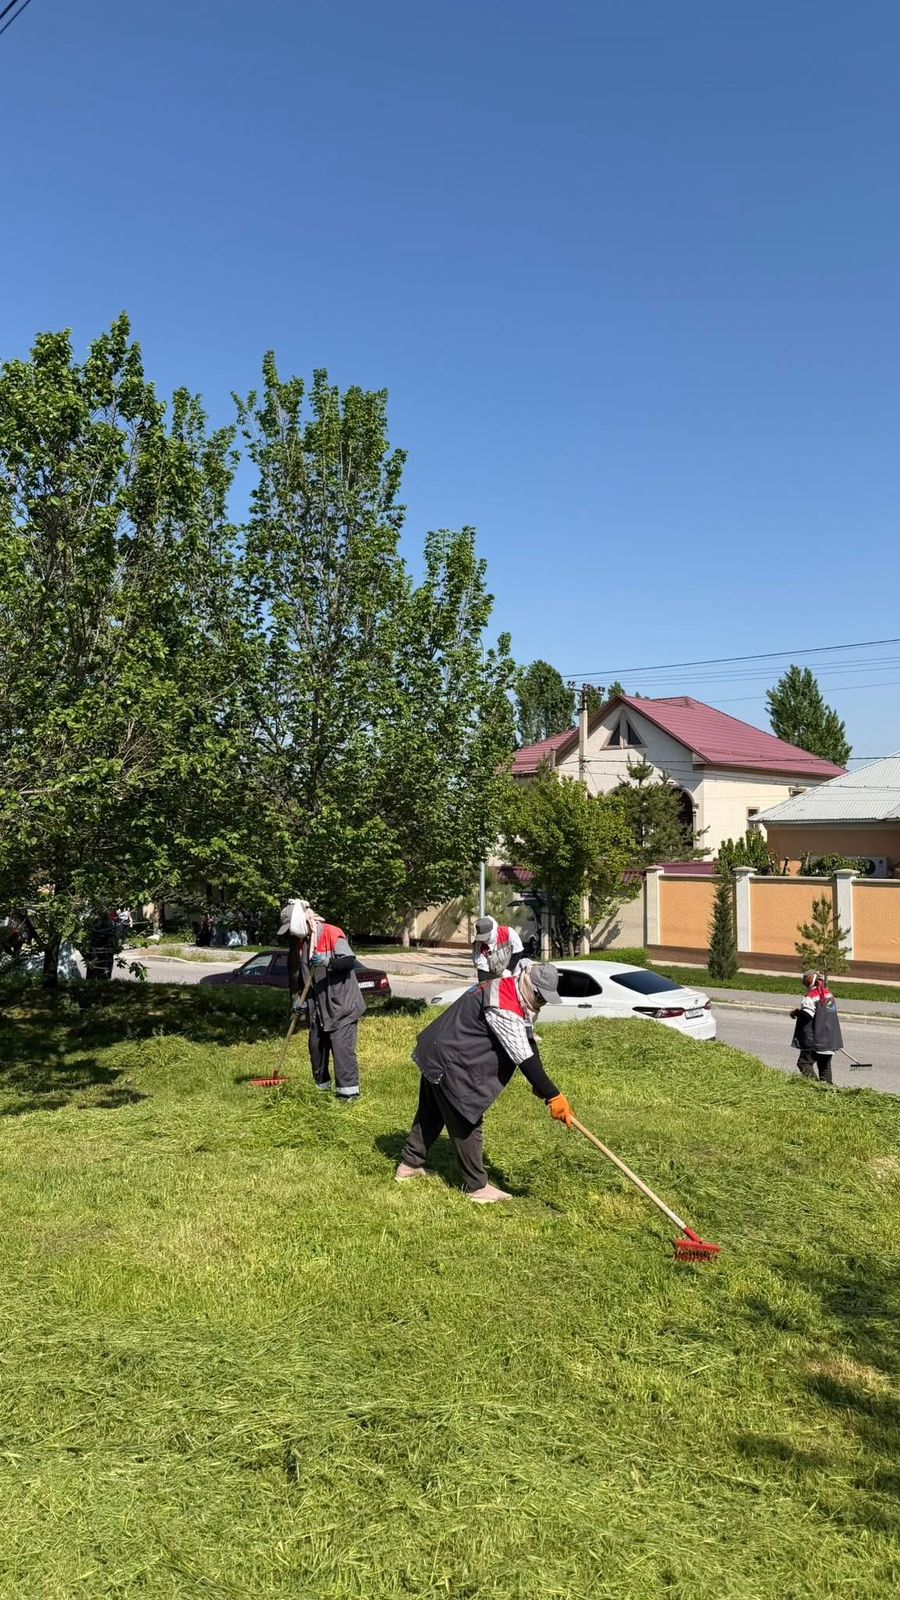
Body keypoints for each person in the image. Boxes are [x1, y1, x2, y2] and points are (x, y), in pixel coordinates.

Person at [395, 959, 575, 1202]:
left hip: (436, 1048)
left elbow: (527, 1040)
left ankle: (409, 1165)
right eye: (539, 996)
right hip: (450, 1060)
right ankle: (476, 1187)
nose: (540, 1002)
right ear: (529, 983)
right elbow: (523, 1055)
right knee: (465, 1117)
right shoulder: (504, 1005)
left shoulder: (509, 988)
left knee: (433, 1110)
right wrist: (552, 1095)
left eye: (545, 999)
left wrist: (541, 1086)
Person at [278, 897, 365, 1102]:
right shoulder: (301, 944)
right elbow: (301, 977)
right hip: (318, 1007)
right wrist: (298, 1000)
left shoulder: (331, 932)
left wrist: (328, 961)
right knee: (316, 1048)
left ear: (298, 923)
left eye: (290, 929)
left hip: (342, 1005)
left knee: (342, 1051)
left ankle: (348, 1097)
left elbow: (349, 962)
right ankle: (321, 1094)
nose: (290, 934)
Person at [790, 970, 842, 1085]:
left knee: (804, 1063)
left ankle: (815, 1086)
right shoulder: (828, 994)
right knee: (824, 1066)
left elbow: (807, 1015)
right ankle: (827, 1088)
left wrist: (796, 1013)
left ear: (809, 981)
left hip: (816, 1039)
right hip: (830, 1038)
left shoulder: (810, 997)